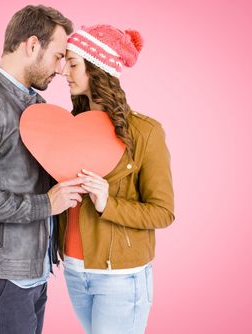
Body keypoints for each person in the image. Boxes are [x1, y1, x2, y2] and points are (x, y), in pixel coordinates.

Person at [0, 5, 86, 334]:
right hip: (1, 277)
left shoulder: (35, 106)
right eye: (57, 56)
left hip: (31, 272)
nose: (61, 68)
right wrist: (45, 205)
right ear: (32, 45)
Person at [58, 24, 175, 334]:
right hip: (74, 270)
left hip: (120, 278)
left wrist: (108, 203)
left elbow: (163, 212)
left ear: (96, 68)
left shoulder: (145, 132)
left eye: (72, 63)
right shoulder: (70, 128)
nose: (63, 72)